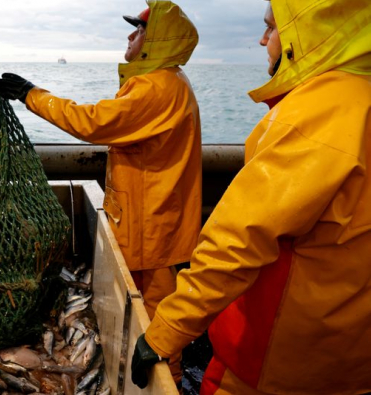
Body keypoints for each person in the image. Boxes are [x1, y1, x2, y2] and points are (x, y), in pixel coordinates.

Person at [131, 0, 371, 393]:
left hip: (274, 367)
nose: (262, 41)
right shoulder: (362, 97)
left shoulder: (315, 114)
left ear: (303, 37)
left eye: (272, 29)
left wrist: (164, 332)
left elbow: (237, 241)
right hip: (349, 364)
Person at [0, 0, 201, 387]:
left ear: (156, 41)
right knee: (150, 311)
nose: (130, 36)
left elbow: (93, 122)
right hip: (153, 219)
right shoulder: (164, 82)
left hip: (152, 227)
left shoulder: (157, 86)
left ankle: (167, 383)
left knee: (157, 319)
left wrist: (30, 94)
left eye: (138, 30)